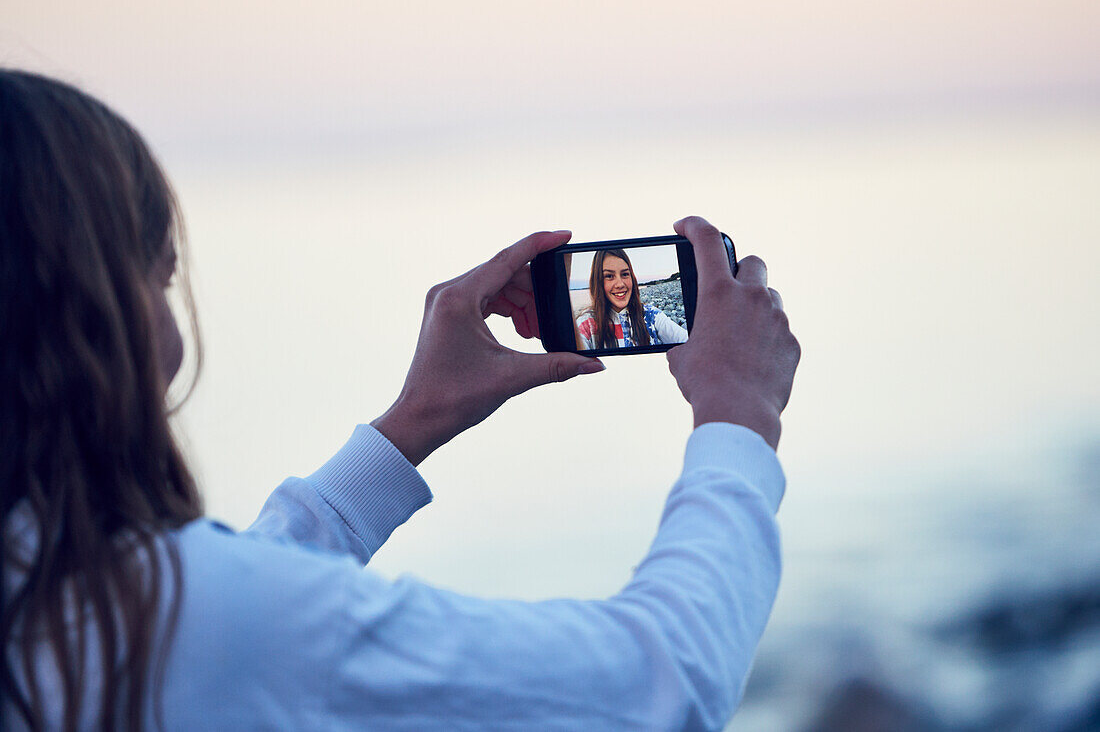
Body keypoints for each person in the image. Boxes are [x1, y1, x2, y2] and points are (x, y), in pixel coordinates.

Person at [0, 69, 800, 731]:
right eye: (161, 276)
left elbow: (236, 609)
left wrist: (410, 424)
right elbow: (658, 687)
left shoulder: (51, 593)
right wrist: (738, 417)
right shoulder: (170, 622)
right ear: (92, 303)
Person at [574, 248, 689, 350]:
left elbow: (690, 343)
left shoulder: (651, 316)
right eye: (609, 276)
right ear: (597, 281)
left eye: (625, 274)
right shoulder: (586, 324)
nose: (620, 284)